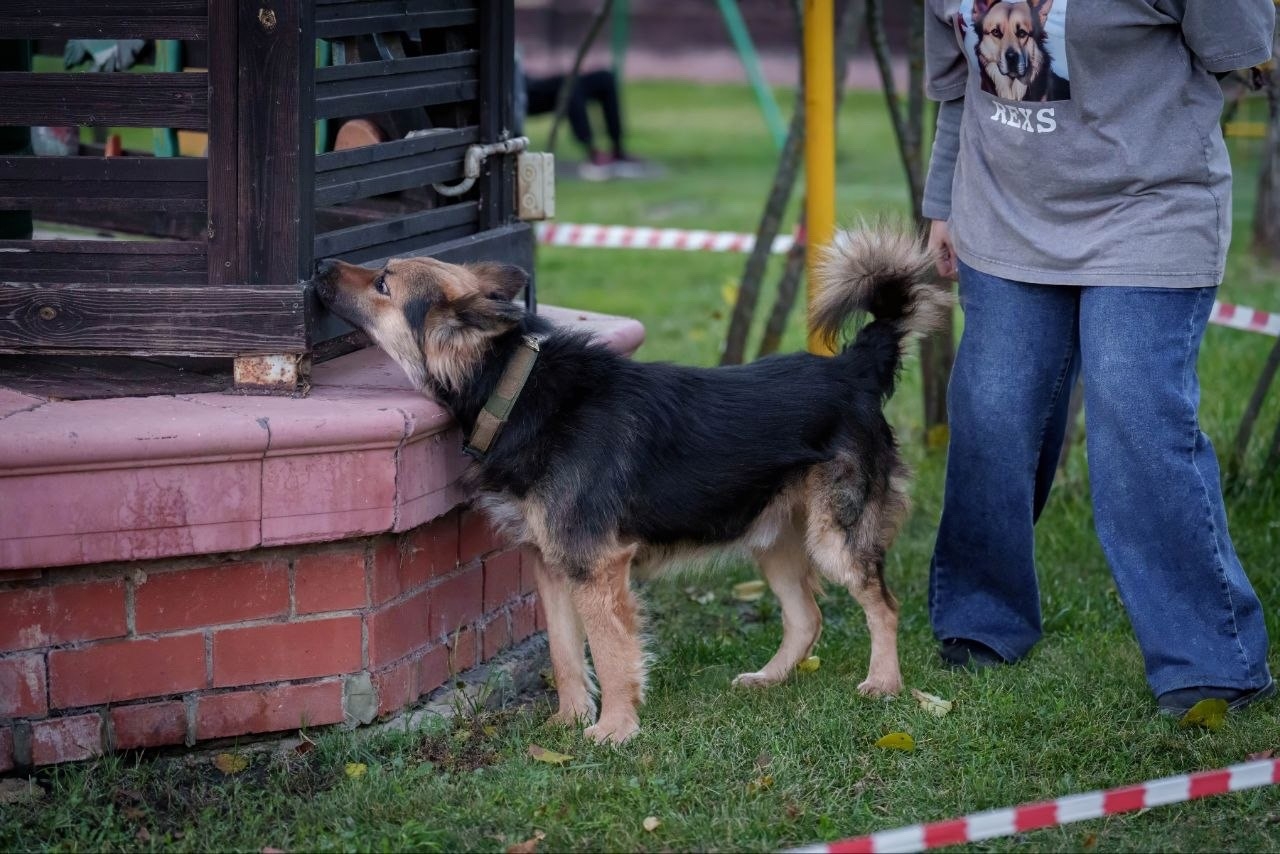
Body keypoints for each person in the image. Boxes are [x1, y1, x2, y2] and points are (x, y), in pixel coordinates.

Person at [922, 0, 1275, 716]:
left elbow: (1248, 53)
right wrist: (940, 201)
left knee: (1134, 407)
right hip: (1003, 210)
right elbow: (962, 85)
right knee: (990, 407)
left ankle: (1211, 659)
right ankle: (981, 622)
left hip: (1149, 204)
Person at [514, 48, 652, 181]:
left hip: (528, 80)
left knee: (605, 78)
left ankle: (618, 150)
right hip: (522, 94)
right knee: (568, 84)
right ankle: (593, 153)